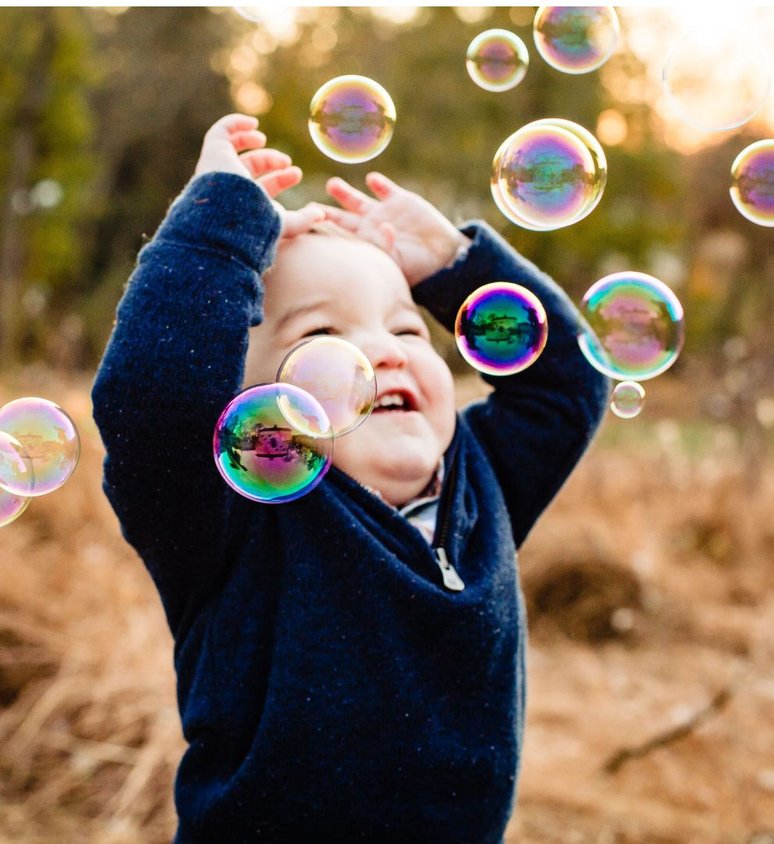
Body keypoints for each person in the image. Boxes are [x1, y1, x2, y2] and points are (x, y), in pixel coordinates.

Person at [91, 113, 609, 843]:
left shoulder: (480, 488)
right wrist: (217, 218)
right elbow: (155, 398)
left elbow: (568, 385)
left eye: (405, 329)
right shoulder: (237, 516)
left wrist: (454, 268)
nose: (385, 354)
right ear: (246, 414)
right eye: (321, 337)